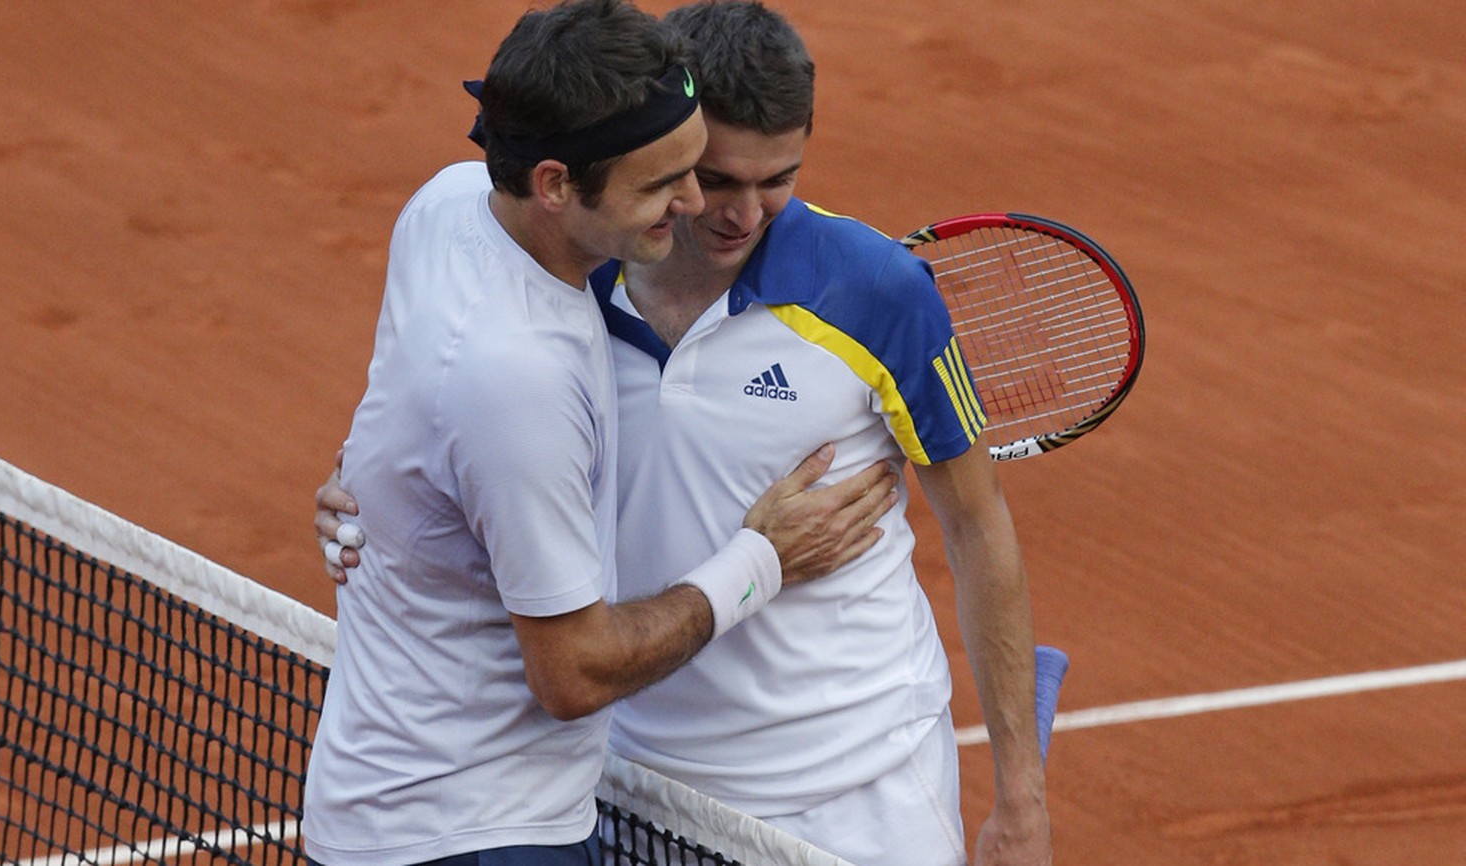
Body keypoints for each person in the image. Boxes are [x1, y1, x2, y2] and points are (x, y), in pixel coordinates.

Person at [318, 2, 1051, 863]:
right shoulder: (568, 284)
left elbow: (977, 524)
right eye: (711, 176)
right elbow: (460, 409)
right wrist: (375, 487)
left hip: (858, 793)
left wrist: (1021, 801)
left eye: (776, 178)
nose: (736, 211)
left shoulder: (876, 293)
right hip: (634, 789)